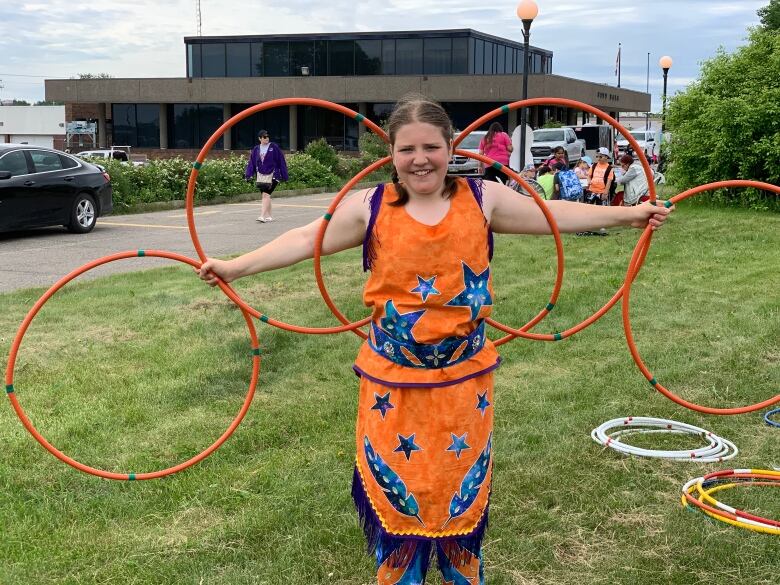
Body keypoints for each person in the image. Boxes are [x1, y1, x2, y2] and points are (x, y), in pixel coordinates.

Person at [197, 95, 671, 584]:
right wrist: (235, 266)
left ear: (451, 147)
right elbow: (303, 240)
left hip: (463, 380)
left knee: (454, 490)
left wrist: (629, 216)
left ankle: (462, 568)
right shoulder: (369, 205)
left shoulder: (483, 198)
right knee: (403, 493)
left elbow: (551, 214)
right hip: (392, 382)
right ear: (391, 153)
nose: (419, 159)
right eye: (407, 149)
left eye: (430, 146)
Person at [245, 130, 288, 223]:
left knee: (266, 195)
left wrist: (284, 175)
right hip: (261, 176)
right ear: (259, 138)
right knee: (266, 196)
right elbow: (251, 163)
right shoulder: (256, 149)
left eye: (268, 136)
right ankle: (269, 216)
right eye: (264, 137)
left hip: (273, 174)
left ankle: (262, 216)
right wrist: (248, 175)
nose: (267, 138)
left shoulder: (274, 147)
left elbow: (281, 161)